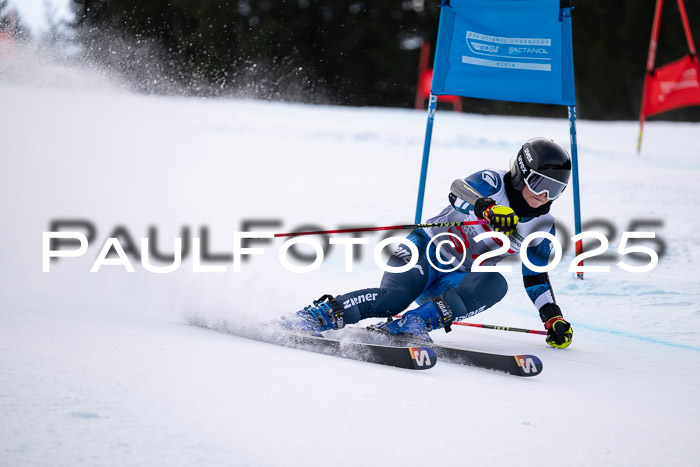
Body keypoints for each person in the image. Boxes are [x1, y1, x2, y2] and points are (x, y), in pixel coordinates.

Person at [279, 137, 574, 349]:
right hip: (424, 250)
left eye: (555, 190)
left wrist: (552, 317)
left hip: (454, 279)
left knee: (495, 283)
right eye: (540, 185)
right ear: (521, 175)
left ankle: (411, 325)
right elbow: (458, 191)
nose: (544, 197)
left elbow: (535, 276)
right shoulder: (493, 181)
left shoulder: (542, 225)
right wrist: (487, 209)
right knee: (392, 300)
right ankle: (319, 315)